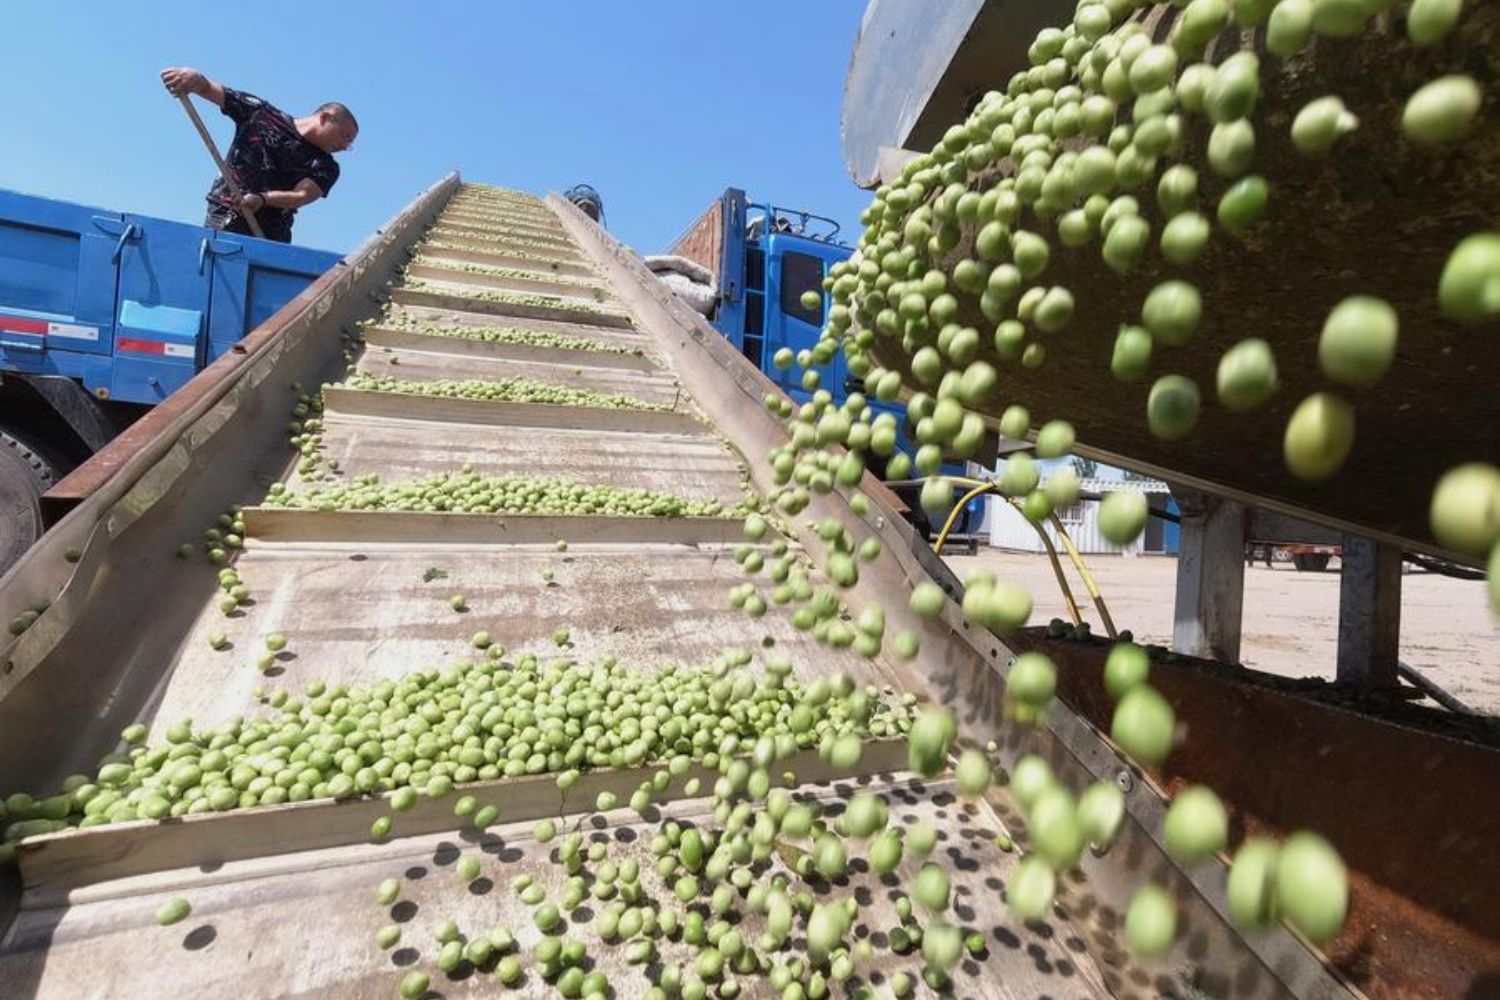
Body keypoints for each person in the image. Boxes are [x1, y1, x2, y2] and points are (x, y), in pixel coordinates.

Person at [160, 67, 357, 243]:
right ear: (325, 118)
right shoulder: (261, 115)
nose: (345, 146)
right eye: (345, 136)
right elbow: (216, 92)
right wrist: (195, 80)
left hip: (271, 234)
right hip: (225, 214)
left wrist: (262, 199)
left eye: (349, 144)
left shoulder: (325, 166)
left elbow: (301, 195)